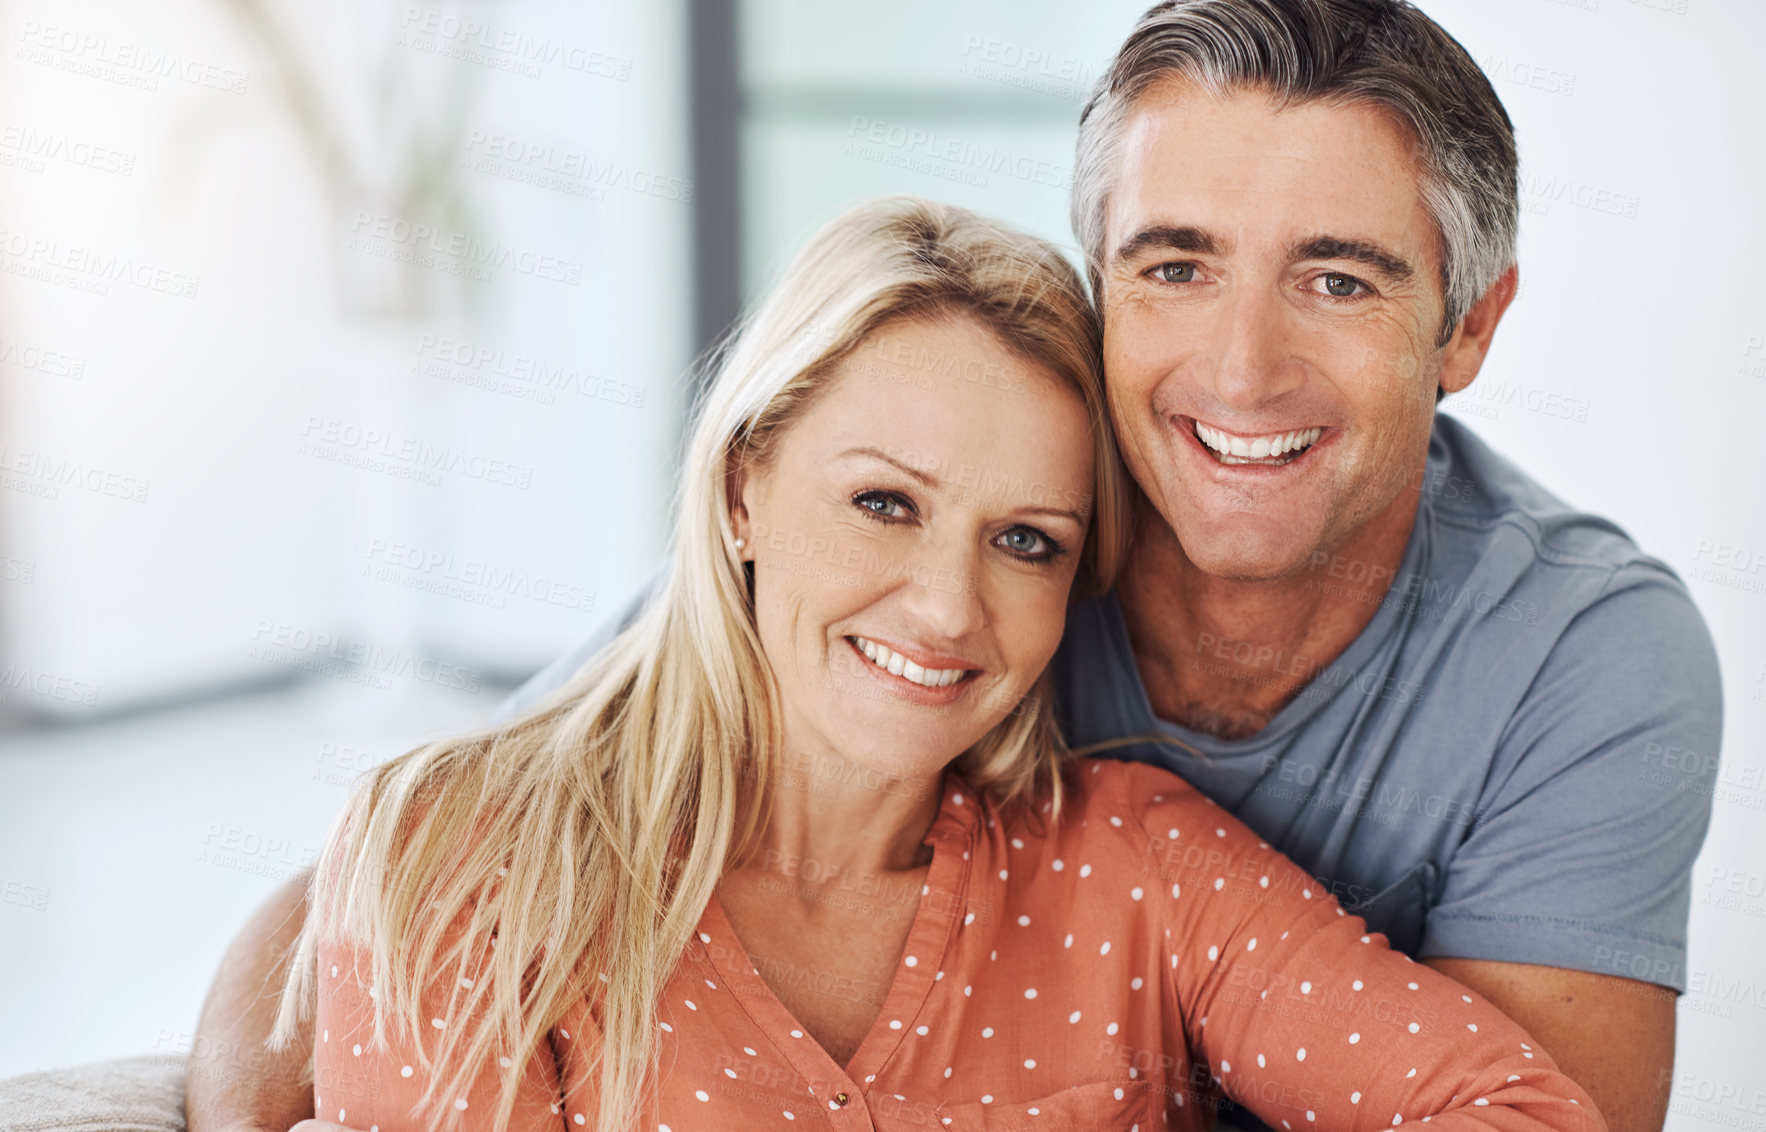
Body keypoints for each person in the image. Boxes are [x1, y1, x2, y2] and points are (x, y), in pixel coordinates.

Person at [185, 3, 1720, 1131]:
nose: (1240, 371)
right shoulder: (571, 791)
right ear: (739, 493)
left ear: (1468, 325)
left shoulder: (1541, 674)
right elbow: (458, 845)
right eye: (1175, 266)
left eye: (1334, 279)